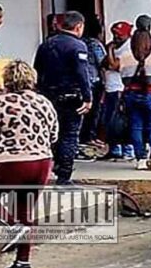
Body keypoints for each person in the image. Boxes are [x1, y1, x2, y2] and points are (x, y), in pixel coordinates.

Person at [0, 60, 58, 268]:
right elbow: (54, 134)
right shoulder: (44, 102)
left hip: (11, 161)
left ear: (7, 80)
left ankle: (13, 227)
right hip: (42, 162)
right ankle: (22, 263)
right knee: (25, 208)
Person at [34, 11, 92, 185]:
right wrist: (88, 97)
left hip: (47, 97)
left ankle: (46, 171)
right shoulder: (78, 46)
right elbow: (82, 74)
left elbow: (37, 70)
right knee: (69, 134)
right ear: (78, 26)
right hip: (71, 97)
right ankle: (64, 176)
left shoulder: (46, 44)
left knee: (50, 134)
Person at [119, 15, 151, 170]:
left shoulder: (125, 57)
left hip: (132, 95)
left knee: (136, 126)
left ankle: (141, 159)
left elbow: (124, 79)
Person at [101, 20, 135, 160]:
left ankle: (128, 150)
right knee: (109, 121)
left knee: (121, 121)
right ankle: (115, 149)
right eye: (114, 34)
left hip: (120, 88)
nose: (115, 37)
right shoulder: (117, 47)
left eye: (119, 34)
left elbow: (114, 66)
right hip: (110, 88)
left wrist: (109, 50)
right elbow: (103, 63)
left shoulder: (128, 47)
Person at [79, 14, 107, 149]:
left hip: (82, 80)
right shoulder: (94, 44)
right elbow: (103, 63)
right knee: (94, 111)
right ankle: (90, 136)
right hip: (95, 80)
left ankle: (84, 137)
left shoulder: (80, 42)